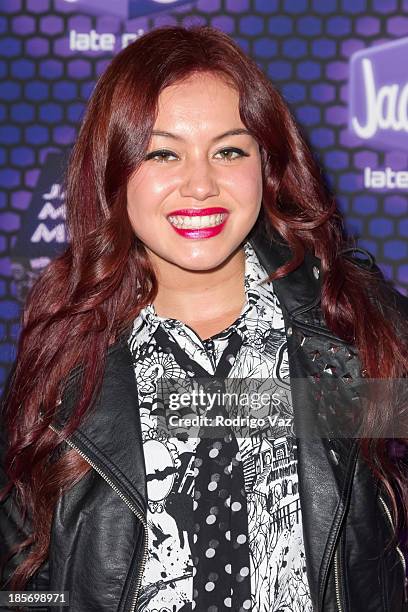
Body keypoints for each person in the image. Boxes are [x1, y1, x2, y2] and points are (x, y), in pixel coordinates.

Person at [1, 24, 408, 612]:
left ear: (266, 165)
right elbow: (21, 582)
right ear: (113, 171)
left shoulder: (351, 322)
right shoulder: (67, 352)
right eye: (163, 152)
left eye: (229, 150)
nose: (200, 185)